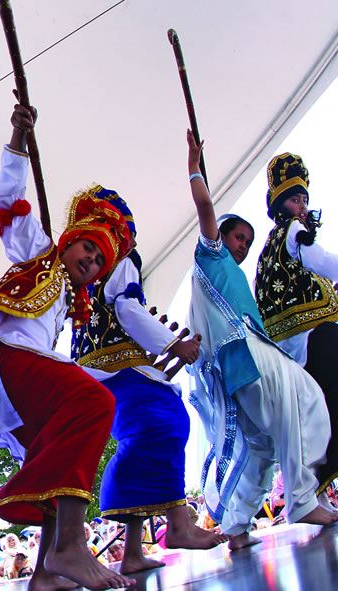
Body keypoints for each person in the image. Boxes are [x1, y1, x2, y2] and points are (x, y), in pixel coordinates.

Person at [0, 99, 134, 591]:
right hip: (5, 351)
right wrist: (17, 138)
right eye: (87, 246)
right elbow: (7, 195)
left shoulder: (70, 305)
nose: (91, 259)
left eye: (100, 259)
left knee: (50, 452)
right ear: (68, 240)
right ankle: (70, 548)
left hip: (19, 367)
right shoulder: (39, 251)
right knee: (94, 400)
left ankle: (44, 573)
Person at [184, 130, 338, 551]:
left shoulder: (240, 275)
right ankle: (304, 500)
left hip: (243, 363)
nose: (243, 247)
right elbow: (205, 209)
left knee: (262, 447)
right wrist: (195, 168)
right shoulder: (212, 256)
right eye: (238, 238)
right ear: (221, 237)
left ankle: (235, 526)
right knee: (303, 393)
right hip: (245, 353)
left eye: (247, 244)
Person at [70, 186, 230, 573]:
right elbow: (127, 309)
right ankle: (178, 525)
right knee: (165, 423)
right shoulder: (122, 258)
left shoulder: (85, 270)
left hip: (92, 372)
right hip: (119, 368)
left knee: (143, 435)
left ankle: (133, 554)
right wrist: (174, 344)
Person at [254, 152, 338, 505]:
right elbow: (318, 260)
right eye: (294, 198)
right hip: (315, 335)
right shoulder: (294, 231)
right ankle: (315, 489)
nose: (301, 206)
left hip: (290, 347)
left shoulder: (268, 248)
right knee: (328, 407)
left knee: (311, 414)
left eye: (304, 198)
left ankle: (314, 493)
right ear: (279, 205)